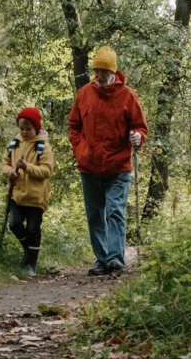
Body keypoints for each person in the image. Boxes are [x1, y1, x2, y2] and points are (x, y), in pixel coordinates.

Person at [68, 46, 148, 276]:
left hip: (118, 165)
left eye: (104, 71)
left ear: (113, 71)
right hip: (89, 164)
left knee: (114, 211)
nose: (99, 75)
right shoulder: (84, 93)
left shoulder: (127, 95)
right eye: (97, 70)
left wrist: (137, 136)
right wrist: (79, 149)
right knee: (95, 214)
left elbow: (140, 126)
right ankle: (101, 260)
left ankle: (115, 259)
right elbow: (74, 125)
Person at [1, 107, 55, 277]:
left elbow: (47, 171)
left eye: (28, 129)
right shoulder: (13, 144)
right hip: (16, 194)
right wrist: (10, 172)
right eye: (21, 128)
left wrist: (27, 167)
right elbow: (4, 164)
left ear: (36, 128)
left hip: (36, 197)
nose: (24, 132)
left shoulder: (43, 146)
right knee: (15, 224)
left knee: (33, 229)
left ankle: (31, 263)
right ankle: (28, 250)